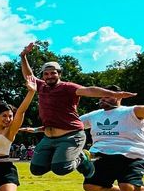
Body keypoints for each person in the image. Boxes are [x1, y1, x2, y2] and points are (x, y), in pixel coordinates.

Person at [19, 45, 136, 180]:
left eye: (53, 73)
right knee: (36, 170)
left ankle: (82, 158)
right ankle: (60, 156)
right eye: (46, 74)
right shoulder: (41, 87)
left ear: (59, 74)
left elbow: (90, 90)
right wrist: (23, 56)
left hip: (70, 135)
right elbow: (28, 76)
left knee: (61, 169)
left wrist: (115, 93)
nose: (49, 76)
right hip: (48, 138)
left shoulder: (68, 87)